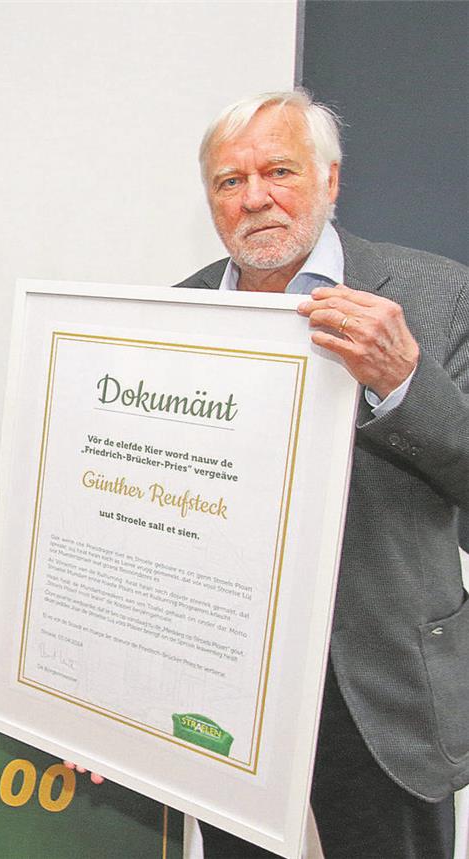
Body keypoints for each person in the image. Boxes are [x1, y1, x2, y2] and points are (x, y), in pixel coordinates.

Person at [176, 91, 469, 858]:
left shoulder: (437, 294)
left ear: (331, 180)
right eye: (229, 181)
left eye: (279, 170)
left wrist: (406, 380)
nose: (255, 198)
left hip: (384, 684)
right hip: (229, 683)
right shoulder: (178, 311)